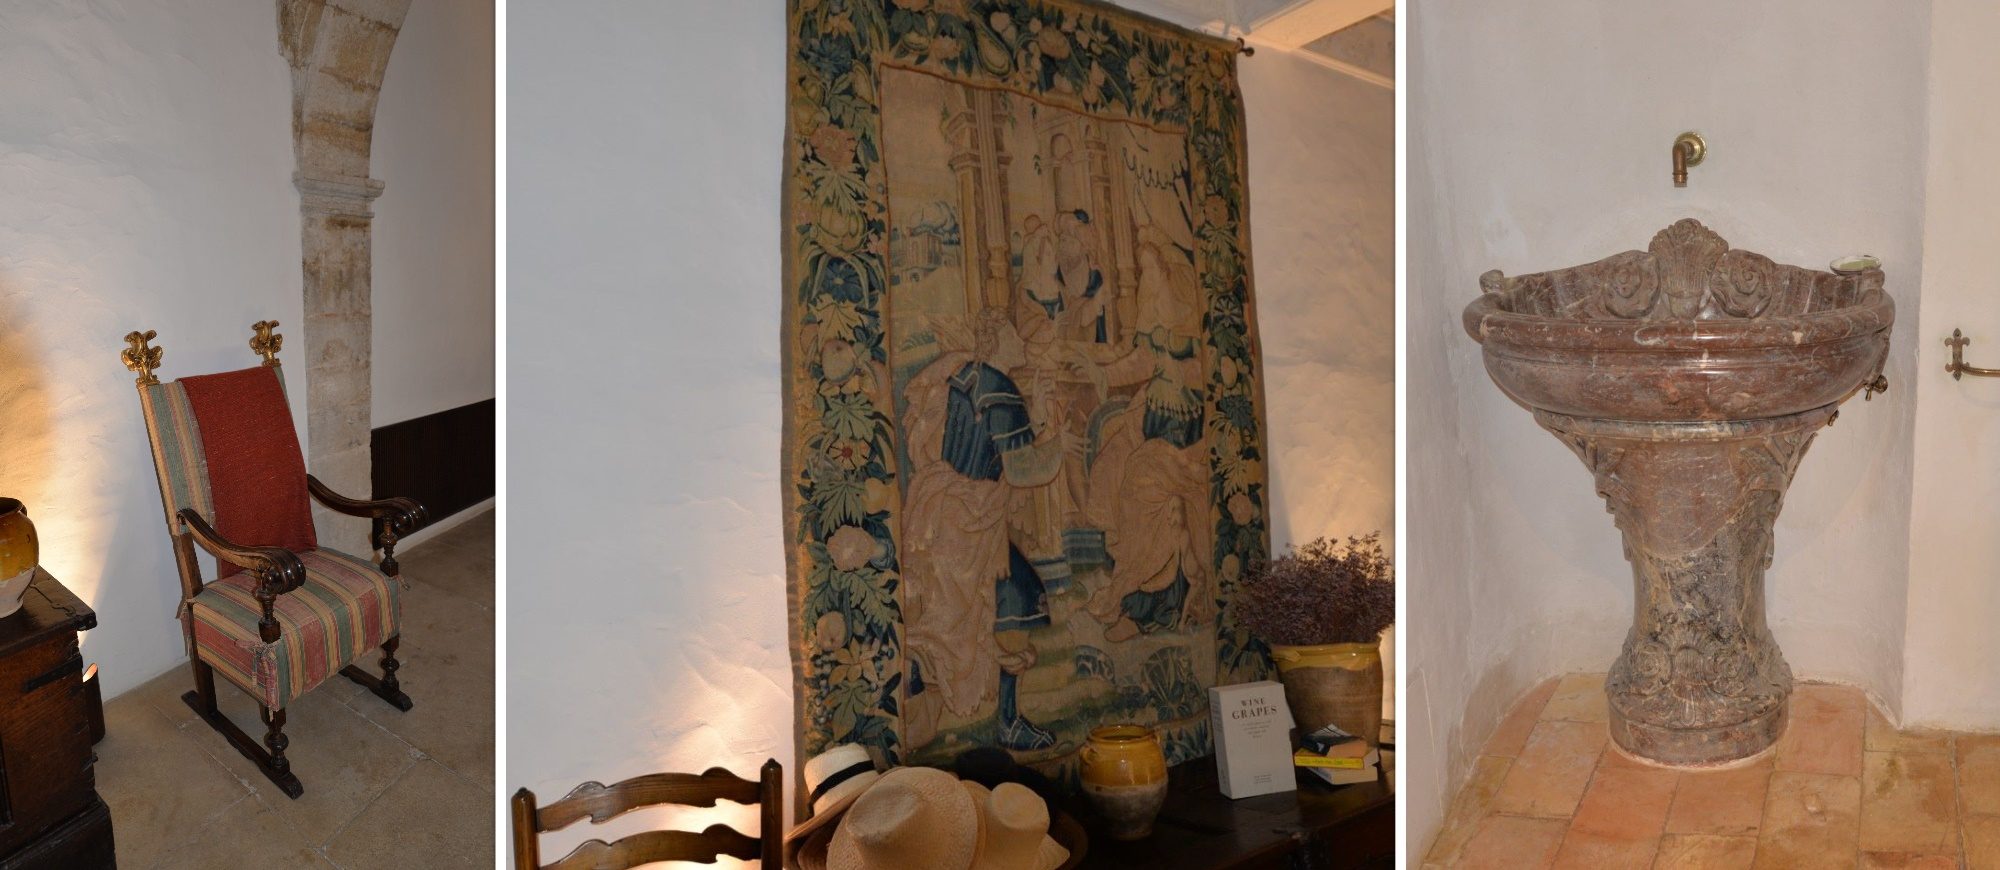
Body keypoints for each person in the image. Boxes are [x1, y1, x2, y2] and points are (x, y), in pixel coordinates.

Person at [901, 310, 1073, 752]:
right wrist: (1058, 442)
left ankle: (931, 685)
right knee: (1012, 601)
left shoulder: (967, 376)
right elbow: (1023, 469)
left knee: (964, 615)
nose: (1022, 343)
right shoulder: (1001, 391)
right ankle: (1005, 721)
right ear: (998, 342)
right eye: (1015, 336)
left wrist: (1036, 417)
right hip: (973, 521)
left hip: (949, 511)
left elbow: (987, 442)